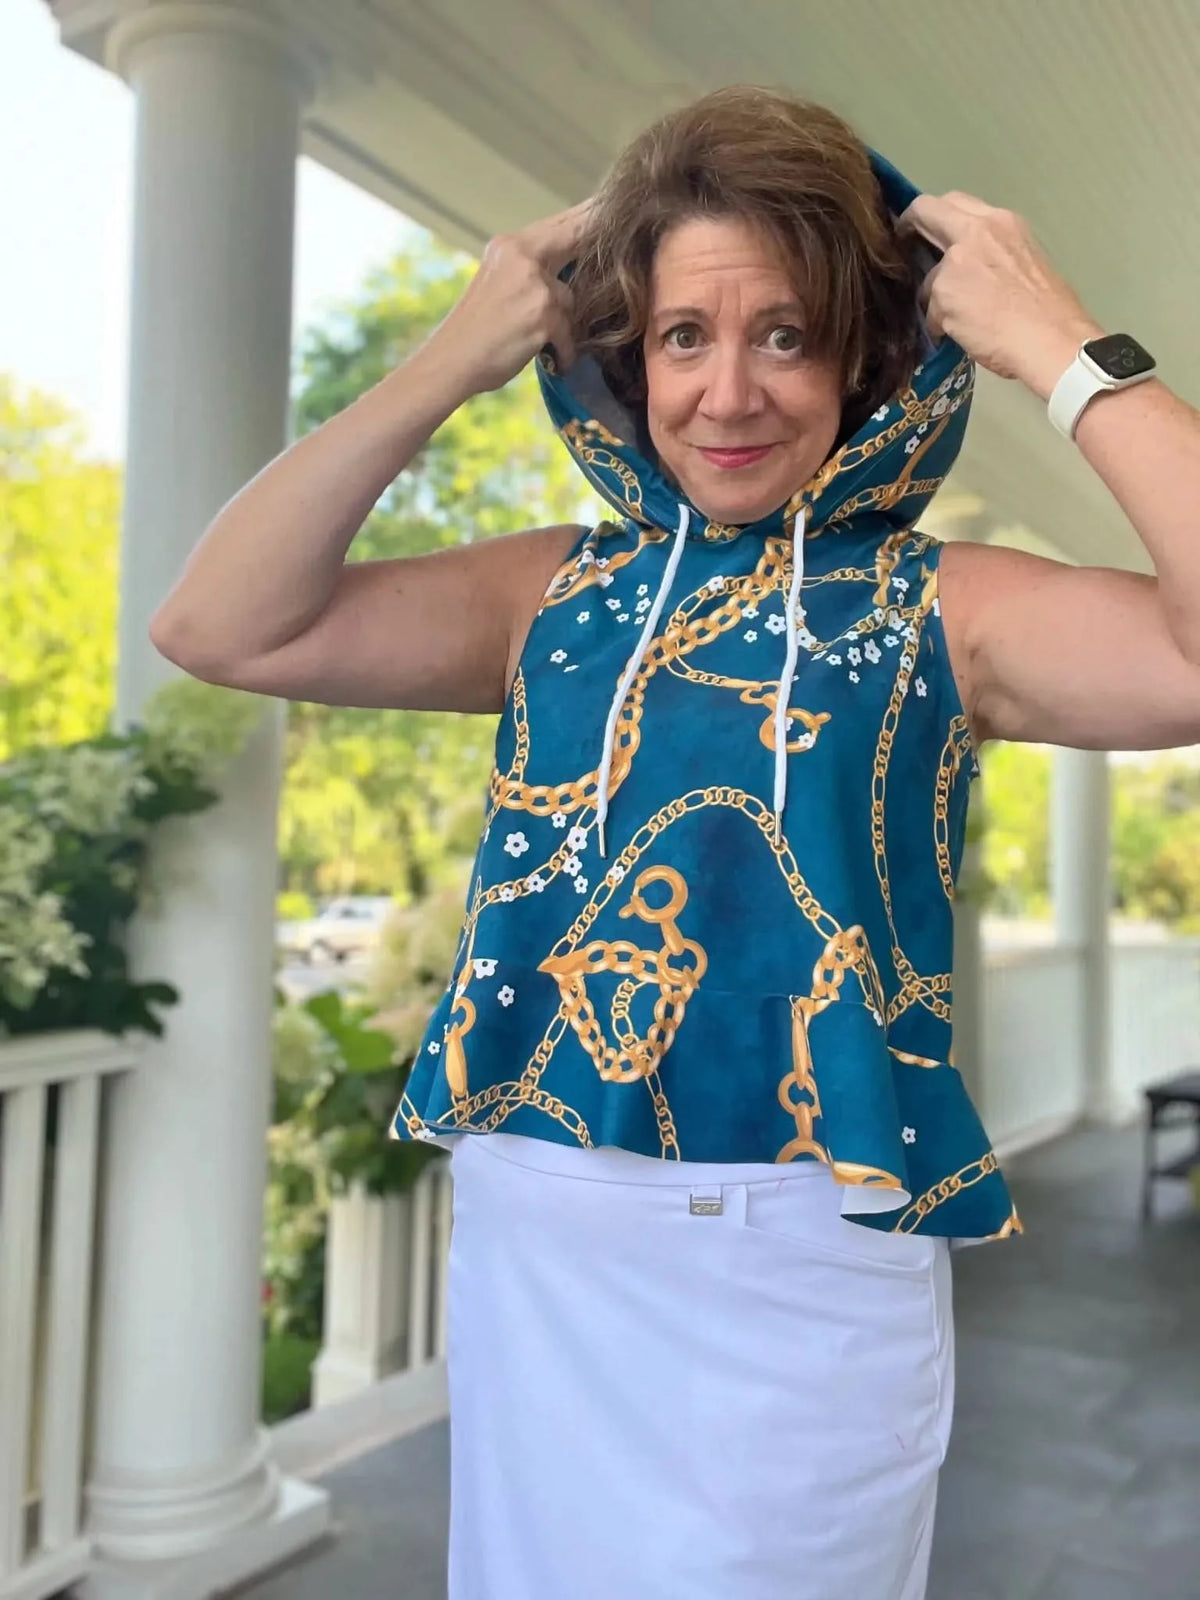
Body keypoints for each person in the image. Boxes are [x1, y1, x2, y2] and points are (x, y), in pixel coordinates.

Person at [150, 85, 1200, 1600]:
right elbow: (216, 620)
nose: (728, 394)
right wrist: (456, 354)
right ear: (626, 358)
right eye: (683, 337)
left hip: (813, 1250)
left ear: (861, 353)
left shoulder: (943, 609)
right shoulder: (551, 597)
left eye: (785, 333)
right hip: (549, 1231)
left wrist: (1060, 346)